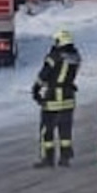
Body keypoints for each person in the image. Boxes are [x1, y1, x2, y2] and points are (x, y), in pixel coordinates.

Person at [31, 30, 82, 168]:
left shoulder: (54, 57)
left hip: (53, 98)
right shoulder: (76, 57)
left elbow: (44, 75)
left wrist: (35, 90)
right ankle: (65, 158)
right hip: (68, 98)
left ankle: (47, 159)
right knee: (65, 130)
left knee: (46, 130)